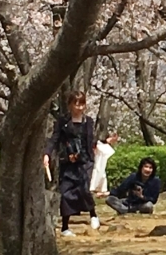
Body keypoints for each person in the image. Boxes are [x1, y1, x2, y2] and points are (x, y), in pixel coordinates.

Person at [44, 91, 116, 237]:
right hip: (67, 161)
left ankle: (93, 215)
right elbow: (54, 139)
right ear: (70, 104)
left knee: (84, 188)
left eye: (81, 104)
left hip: (85, 161)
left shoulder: (88, 122)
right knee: (65, 192)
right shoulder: (62, 122)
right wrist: (47, 154)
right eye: (75, 104)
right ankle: (65, 227)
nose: (78, 107)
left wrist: (104, 143)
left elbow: (90, 141)